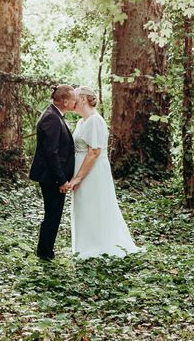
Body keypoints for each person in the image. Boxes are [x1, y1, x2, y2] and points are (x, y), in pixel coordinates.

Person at [68, 86, 144, 260]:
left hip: (93, 171)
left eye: (76, 97)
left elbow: (94, 151)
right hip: (82, 167)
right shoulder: (82, 122)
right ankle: (87, 244)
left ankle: (99, 245)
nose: (72, 101)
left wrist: (78, 177)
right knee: (84, 205)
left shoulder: (95, 120)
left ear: (84, 99)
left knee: (95, 205)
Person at [29, 84, 77, 261]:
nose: (75, 103)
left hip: (52, 177)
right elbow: (51, 153)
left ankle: (45, 251)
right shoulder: (52, 118)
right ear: (65, 101)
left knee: (53, 215)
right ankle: (45, 253)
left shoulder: (55, 115)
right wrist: (61, 180)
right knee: (52, 215)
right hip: (51, 178)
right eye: (73, 100)